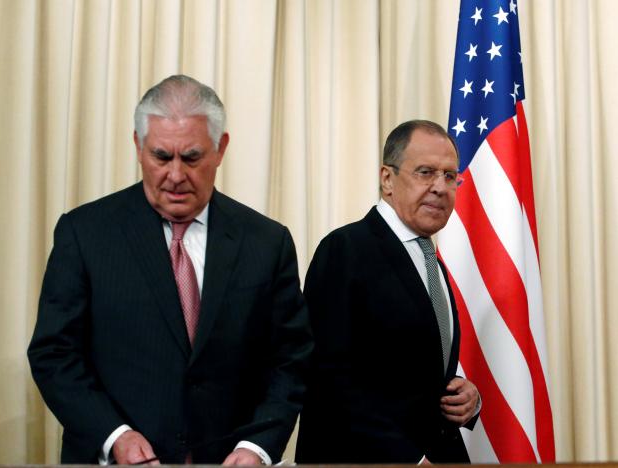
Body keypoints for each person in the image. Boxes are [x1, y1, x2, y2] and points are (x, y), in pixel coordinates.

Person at [28, 75, 313, 465]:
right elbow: (54, 353)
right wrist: (115, 436)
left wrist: (257, 446)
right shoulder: (85, 233)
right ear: (138, 145)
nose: (176, 175)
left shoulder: (266, 242)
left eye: (192, 158)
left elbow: (291, 359)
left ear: (221, 148)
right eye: (161, 157)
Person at [295, 120, 480, 464]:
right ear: (387, 179)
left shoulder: (430, 260)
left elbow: (405, 366)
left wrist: (463, 395)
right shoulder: (345, 249)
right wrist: (407, 458)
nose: (440, 187)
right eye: (425, 172)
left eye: (450, 176)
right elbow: (327, 379)